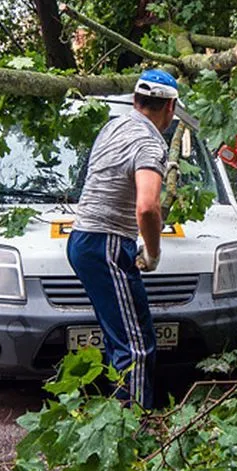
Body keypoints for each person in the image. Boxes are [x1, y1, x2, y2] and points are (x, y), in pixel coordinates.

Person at [66, 69, 177, 409]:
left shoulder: (114, 126)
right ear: (170, 108)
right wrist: (153, 252)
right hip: (108, 243)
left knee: (120, 340)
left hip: (84, 239)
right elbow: (147, 207)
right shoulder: (149, 142)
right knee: (138, 347)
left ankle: (115, 418)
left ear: (134, 101)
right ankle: (134, 434)